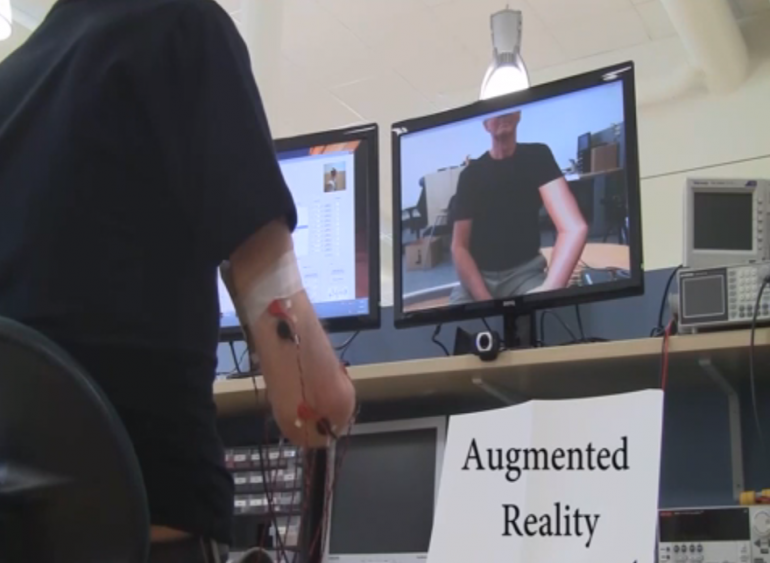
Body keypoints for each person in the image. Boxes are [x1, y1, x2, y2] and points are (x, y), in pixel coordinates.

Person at [0, 0, 355, 561]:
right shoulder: (186, 27)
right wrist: (338, 395)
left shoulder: (10, 82)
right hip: (153, 540)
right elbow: (312, 409)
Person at [450, 110, 588, 303]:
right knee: (458, 319)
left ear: (519, 114)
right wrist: (485, 300)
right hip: (479, 277)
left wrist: (549, 290)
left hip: (525, 274)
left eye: (508, 108)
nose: (502, 113)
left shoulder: (537, 156)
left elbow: (573, 228)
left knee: (543, 317)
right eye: (494, 111)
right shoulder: (470, 175)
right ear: (485, 125)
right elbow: (459, 247)